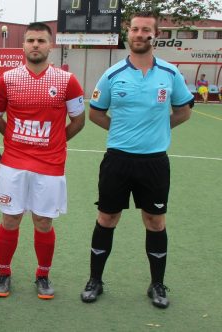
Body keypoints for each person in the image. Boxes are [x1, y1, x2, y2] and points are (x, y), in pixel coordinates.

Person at [80, 11, 193, 309]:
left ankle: (157, 284)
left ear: (155, 35)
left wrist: (158, 130)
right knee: (107, 218)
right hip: (117, 160)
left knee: (155, 222)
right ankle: (95, 280)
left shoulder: (170, 73)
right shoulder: (112, 75)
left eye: (146, 30)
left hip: (154, 161)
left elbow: (184, 110)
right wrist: (122, 130)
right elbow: (96, 113)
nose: (140, 34)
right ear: (128, 34)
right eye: (135, 29)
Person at [0, 22, 85, 300]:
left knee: (44, 222)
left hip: (50, 166)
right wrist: (13, 137)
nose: (35, 45)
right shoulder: (8, 79)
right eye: (30, 40)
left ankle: (42, 276)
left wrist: (57, 141)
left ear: (50, 45)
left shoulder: (67, 80)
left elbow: (78, 120)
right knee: (11, 218)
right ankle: (4, 273)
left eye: (41, 41)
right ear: (23, 45)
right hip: (14, 163)